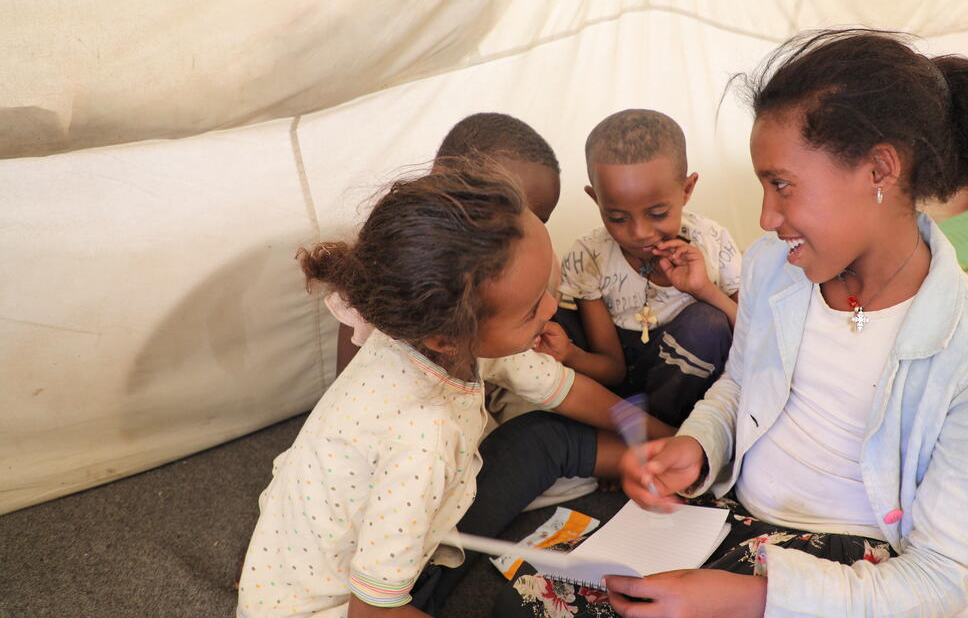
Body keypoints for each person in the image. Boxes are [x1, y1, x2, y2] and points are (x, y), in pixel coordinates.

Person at [495, 30, 968, 618]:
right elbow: (737, 386)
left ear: (880, 170)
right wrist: (698, 447)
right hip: (731, 526)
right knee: (526, 595)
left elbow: (938, 581)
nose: (765, 216)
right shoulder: (773, 269)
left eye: (781, 185)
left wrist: (751, 599)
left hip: (854, 578)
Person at [237, 161, 666, 618]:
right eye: (531, 309)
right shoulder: (424, 439)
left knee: (544, 436)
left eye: (548, 285)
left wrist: (676, 439)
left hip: (390, 542)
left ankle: (646, 463)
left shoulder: (442, 326)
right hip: (347, 608)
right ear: (447, 338)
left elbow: (562, 388)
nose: (551, 308)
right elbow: (374, 611)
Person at [334, 112, 562, 376]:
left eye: (540, 219)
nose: (519, 229)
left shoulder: (538, 258)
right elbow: (352, 382)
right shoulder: (389, 272)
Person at [553, 109, 742, 426]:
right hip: (620, 390)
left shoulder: (711, 241)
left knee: (708, 323)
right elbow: (612, 369)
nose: (639, 233)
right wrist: (569, 355)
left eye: (657, 214)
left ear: (687, 189)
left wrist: (703, 290)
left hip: (688, 391)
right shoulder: (589, 255)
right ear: (595, 198)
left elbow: (753, 336)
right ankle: (634, 437)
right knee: (555, 312)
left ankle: (662, 437)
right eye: (617, 218)